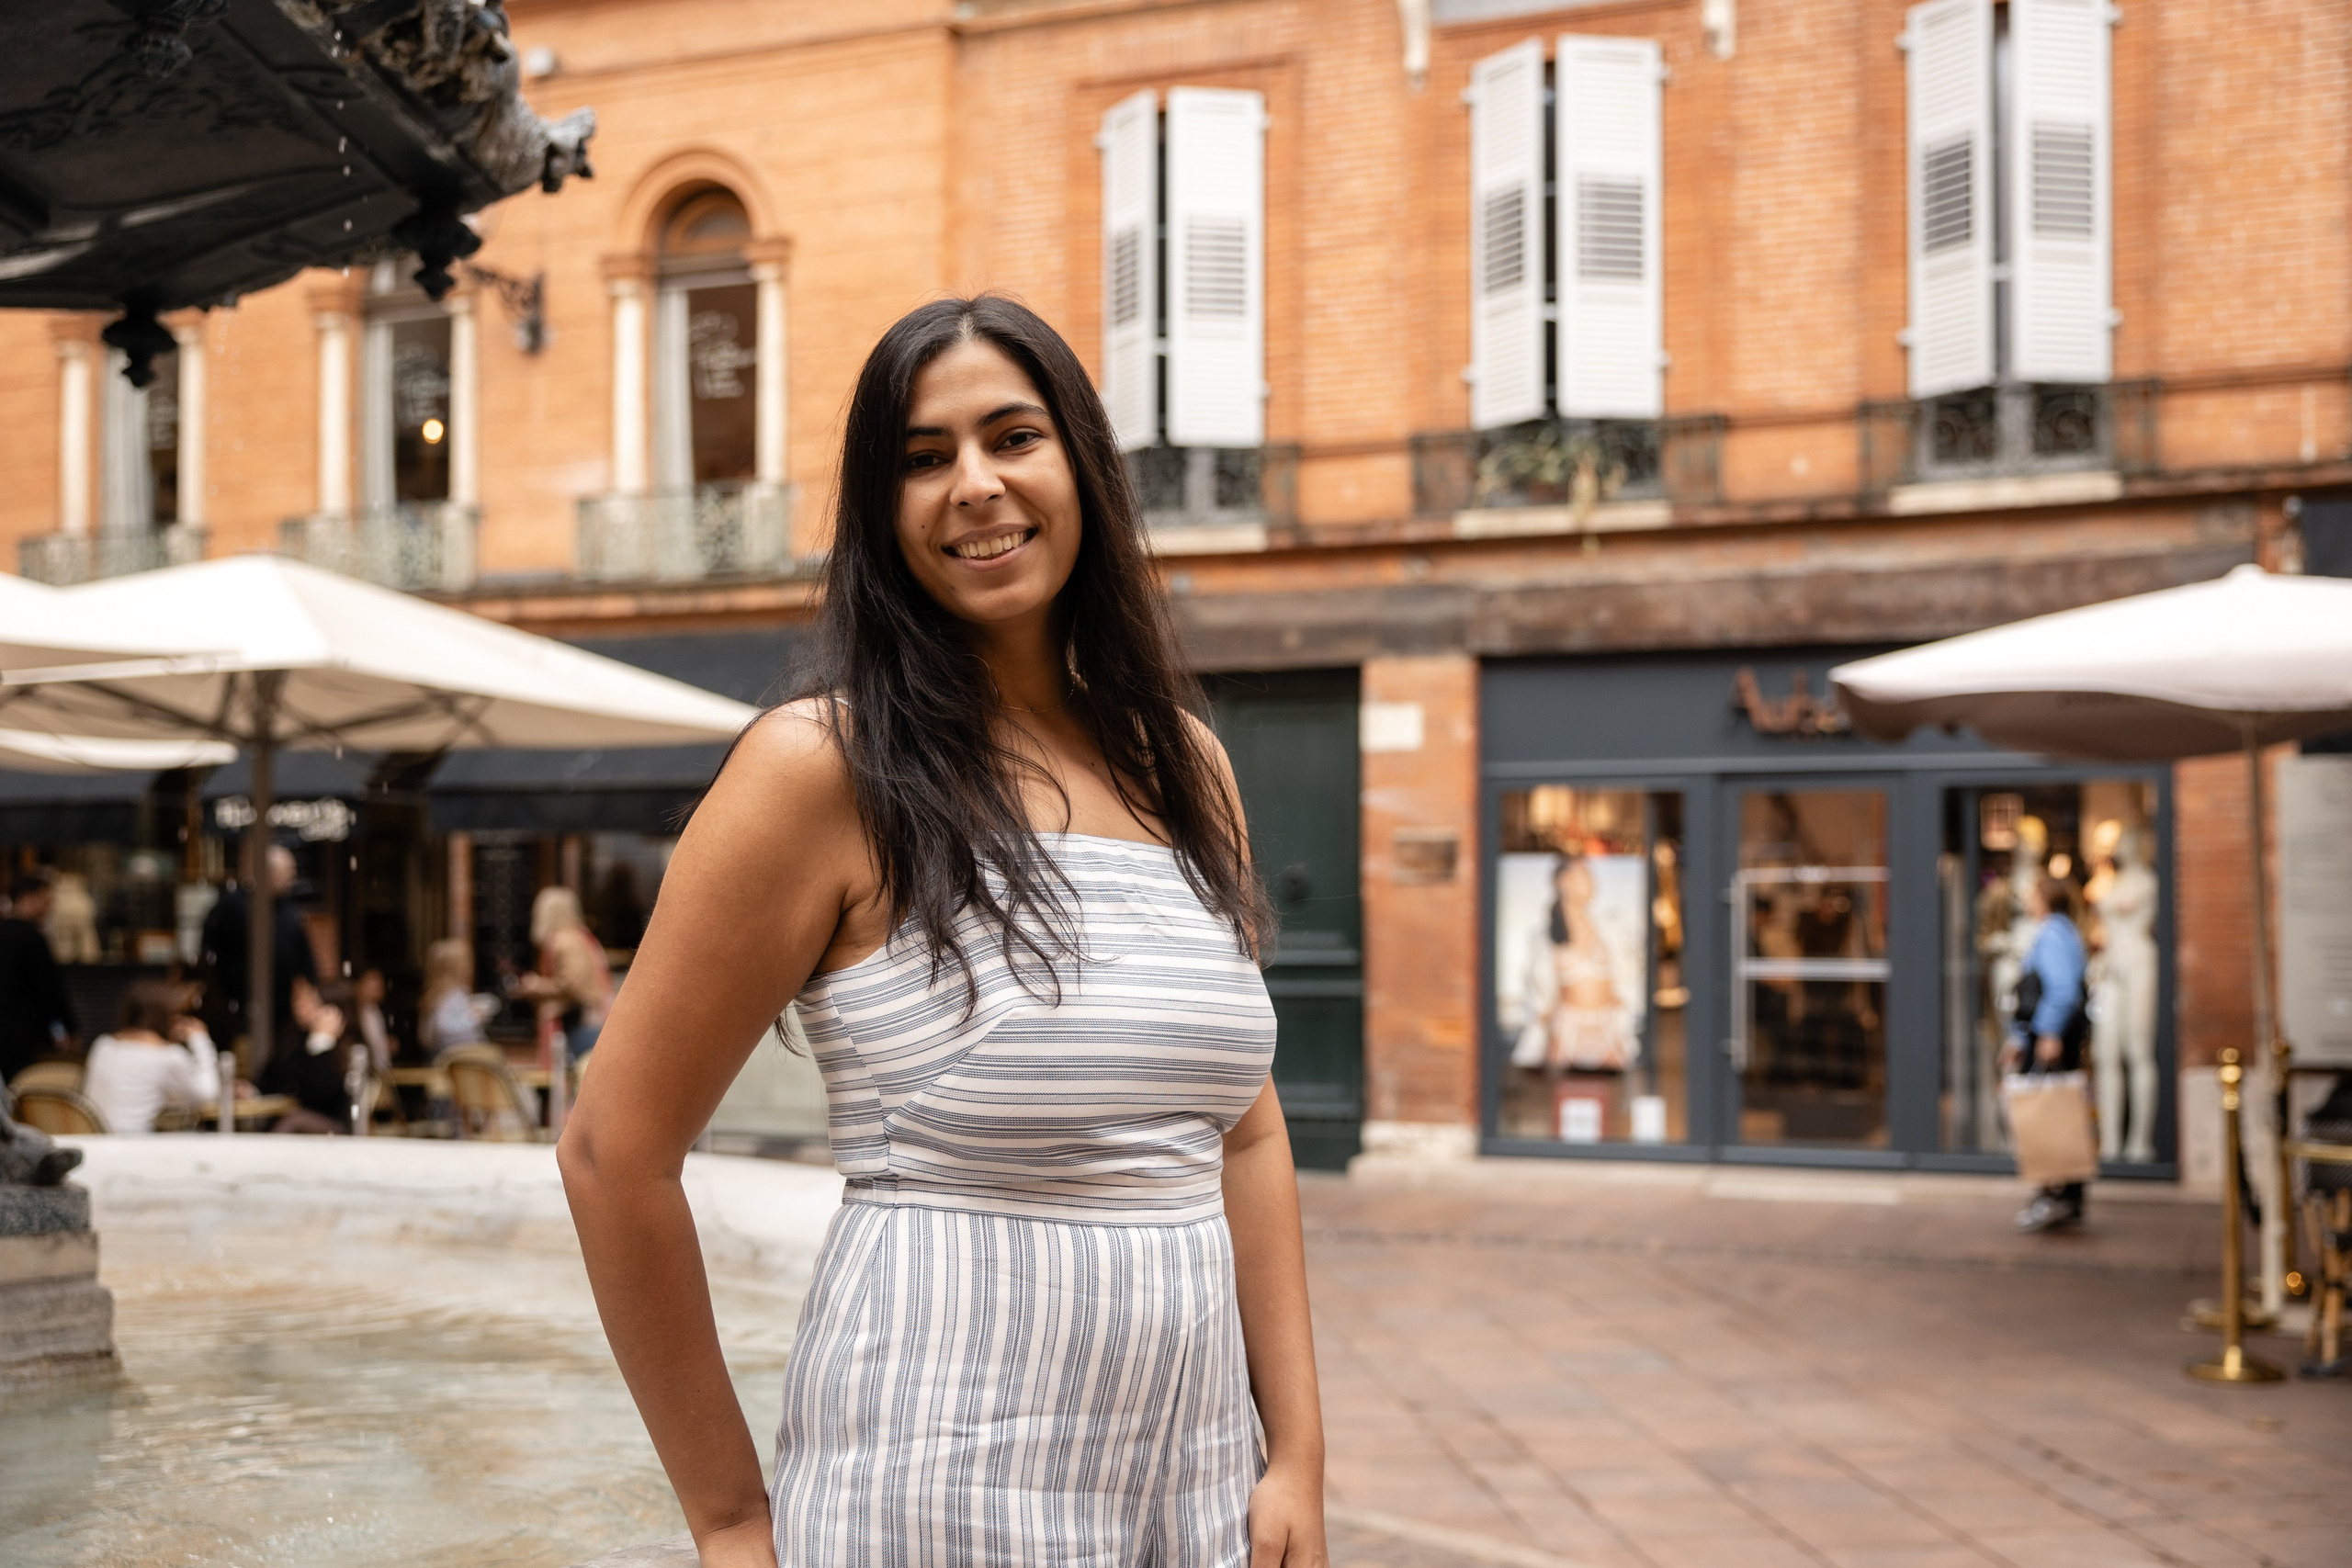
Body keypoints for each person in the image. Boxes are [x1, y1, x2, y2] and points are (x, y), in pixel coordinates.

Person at [560, 296, 1325, 1568]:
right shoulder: (822, 767)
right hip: (933, 1478)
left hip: (1193, 1476)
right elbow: (611, 1150)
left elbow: (1245, 1125)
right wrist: (733, 1519)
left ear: (1081, 464)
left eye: (1012, 436)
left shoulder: (1183, 761)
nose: (974, 484)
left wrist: (1293, 1449)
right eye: (923, 457)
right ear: (881, 510)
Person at [2004, 874, 2092, 1233]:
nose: (2027, 898)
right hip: (2044, 1036)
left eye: (2032, 892)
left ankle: (2056, 1196)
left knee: (2050, 1115)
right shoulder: (2060, 930)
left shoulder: (2053, 933)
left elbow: (2061, 989)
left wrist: (2048, 1033)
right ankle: (2061, 1196)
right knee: (2057, 1112)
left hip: (2050, 1039)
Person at [198, 842, 319, 1055]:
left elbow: (304, 957)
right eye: (287, 873)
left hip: (281, 1007)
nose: (291, 879)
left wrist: (308, 988)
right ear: (268, 873)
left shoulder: (289, 910)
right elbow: (211, 955)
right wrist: (223, 997)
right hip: (239, 1002)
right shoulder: (232, 906)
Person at [83, 978, 222, 1134]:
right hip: (132, 1145)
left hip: (96, 1141)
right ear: (166, 1014)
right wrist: (200, 1039)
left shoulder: (103, 1045)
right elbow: (207, 1096)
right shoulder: (168, 1056)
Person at [517, 886, 613, 1064]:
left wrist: (535, 985)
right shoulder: (579, 937)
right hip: (586, 1017)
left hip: (579, 1021)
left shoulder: (565, 941)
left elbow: (571, 984)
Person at [0, 873, 78, 1084]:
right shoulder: (33, 939)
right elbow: (49, 990)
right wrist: (70, 1028)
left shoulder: (5, 933)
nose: (49, 908)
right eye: (46, 901)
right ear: (27, 898)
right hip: (26, 1036)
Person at [256, 976, 350, 1134]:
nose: (299, 1007)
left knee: (293, 1120)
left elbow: (321, 1096)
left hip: (333, 1126)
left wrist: (323, 1040)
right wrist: (252, 1089)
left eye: (308, 1001)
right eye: (296, 1000)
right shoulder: (292, 1038)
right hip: (288, 1117)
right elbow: (273, 1077)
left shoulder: (343, 1046)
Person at [420, 938, 492, 1054]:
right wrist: (474, 1018)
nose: (470, 968)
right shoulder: (450, 995)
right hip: (452, 1054)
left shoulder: (452, 993)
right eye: (466, 963)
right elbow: (443, 1027)